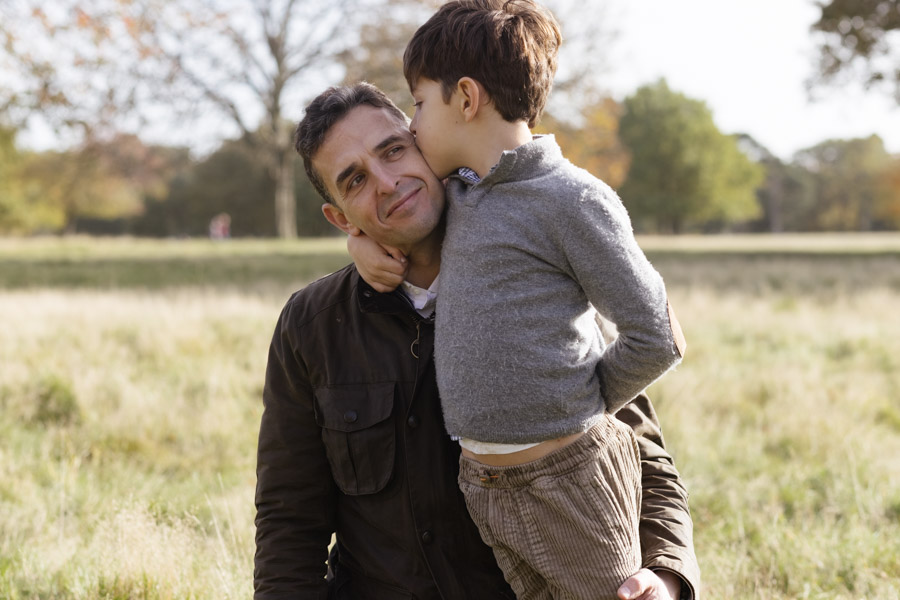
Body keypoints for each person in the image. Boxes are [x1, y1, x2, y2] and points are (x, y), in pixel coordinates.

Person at [254, 82, 700, 600]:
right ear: (339, 218)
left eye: (393, 150)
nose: (387, 182)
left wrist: (666, 574)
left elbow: (639, 453)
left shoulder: (537, 276)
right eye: (355, 180)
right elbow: (289, 515)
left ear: (426, 144)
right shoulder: (312, 325)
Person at [345, 2, 689, 599]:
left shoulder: (571, 200)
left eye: (419, 104)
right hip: (484, 485)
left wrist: (579, 403)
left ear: (466, 98)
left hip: (570, 479)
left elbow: (657, 338)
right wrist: (359, 242)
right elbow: (392, 212)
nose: (412, 127)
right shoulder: (461, 194)